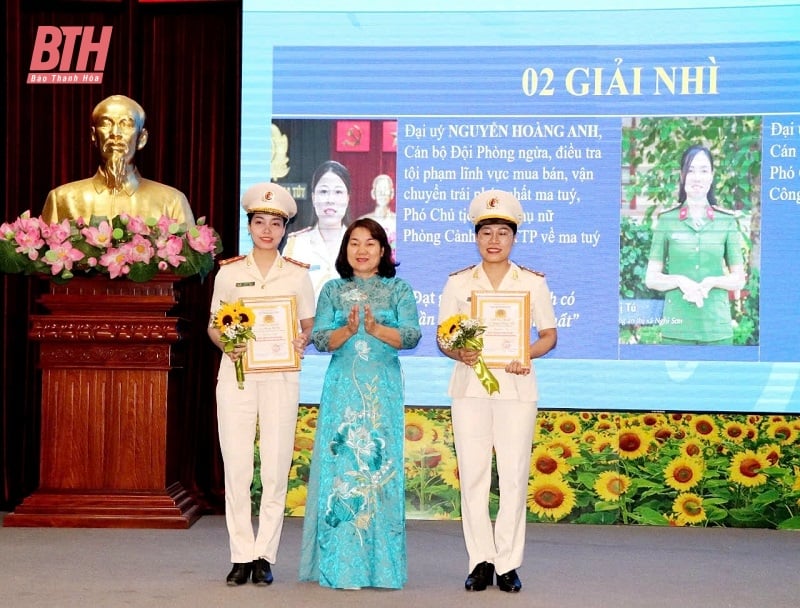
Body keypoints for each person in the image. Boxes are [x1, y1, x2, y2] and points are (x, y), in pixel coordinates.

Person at [437, 189, 557, 594]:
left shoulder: (533, 283)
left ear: (513, 237)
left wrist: (528, 353)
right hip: (470, 388)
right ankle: (480, 561)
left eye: (502, 232)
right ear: (476, 236)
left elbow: (549, 335)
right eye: (486, 232)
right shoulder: (457, 283)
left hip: (517, 387)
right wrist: (460, 351)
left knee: (513, 476)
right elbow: (443, 338)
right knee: (472, 475)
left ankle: (508, 562)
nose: (493, 240)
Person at [299, 217, 421, 590]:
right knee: (342, 473)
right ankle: (341, 565)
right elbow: (320, 339)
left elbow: (412, 335)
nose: (362, 250)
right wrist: (348, 331)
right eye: (354, 243)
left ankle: (382, 568)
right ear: (345, 249)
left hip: (381, 391)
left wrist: (376, 328)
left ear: (383, 250)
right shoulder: (333, 290)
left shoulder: (399, 289)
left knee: (379, 469)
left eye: (370, 243)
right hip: (342, 392)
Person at [207, 182, 315, 587]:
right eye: (259, 222)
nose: (267, 230)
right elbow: (215, 325)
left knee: (274, 467)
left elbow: (307, 325)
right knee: (236, 466)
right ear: (249, 225)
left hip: (282, 378)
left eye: (275, 223)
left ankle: (265, 554)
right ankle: (240, 554)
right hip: (236, 378)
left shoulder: (298, 276)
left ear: (286, 228)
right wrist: (226, 345)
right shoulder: (230, 272)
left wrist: (303, 340)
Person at [645, 144, 746, 344]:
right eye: (690, 170)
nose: (697, 177)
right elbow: (651, 278)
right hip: (677, 331)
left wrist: (713, 281)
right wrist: (679, 280)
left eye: (703, 170)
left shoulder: (726, 221)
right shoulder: (667, 220)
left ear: (711, 176)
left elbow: (739, 279)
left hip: (716, 329)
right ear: (682, 176)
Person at [41, 94, 195, 224]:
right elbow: (43, 258)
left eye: (126, 124)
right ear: (94, 135)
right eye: (106, 124)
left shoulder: (172, 201)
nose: (115, 133)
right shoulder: (62, 199)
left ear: (142, 138)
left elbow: (192, 259)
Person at [282, 160, 352, 297]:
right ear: (313, 198)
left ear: (348, 198)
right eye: (324, 191)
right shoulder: (296, 245)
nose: (330, 199)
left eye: (338, 192)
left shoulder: (362, 246)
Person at [359, 174, 397, 250]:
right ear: (373, 193)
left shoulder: (399, 221)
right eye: (379, 190)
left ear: (392, 193)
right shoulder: (362, 222)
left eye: (385, 189)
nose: (382, 193)